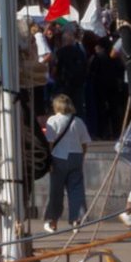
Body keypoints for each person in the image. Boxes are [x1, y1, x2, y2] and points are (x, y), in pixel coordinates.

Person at [42, 93, 90, 231]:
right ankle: (76, 219)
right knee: (76, 190)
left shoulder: (53, 120)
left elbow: (50, 142)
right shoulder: (78, 121)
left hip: (59, 157)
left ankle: (52, 221)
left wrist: (49, 160)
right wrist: (82, 156)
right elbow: (85, 143)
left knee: (56, 191)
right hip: (76, 156)